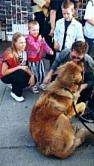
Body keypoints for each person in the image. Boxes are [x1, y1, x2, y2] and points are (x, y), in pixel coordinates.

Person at [43, 41, 94, 105]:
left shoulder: (89, 62)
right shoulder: (65, 52)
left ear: (84, 55)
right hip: (68, 76)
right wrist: (49, 74)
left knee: (83, 97)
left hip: (81, 81)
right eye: (73, 57)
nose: (75, 60)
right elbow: (57, 62)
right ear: (71, 50)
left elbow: (92, 80)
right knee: (54, 79)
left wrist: (82, 87)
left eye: (78, 58)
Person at [0, 32, 36, 102]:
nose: (24, 45)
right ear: (14, 43)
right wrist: (19, 67)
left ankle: (14, 84)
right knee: (20, 73)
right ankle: (15, 93)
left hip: (17, 72)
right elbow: (3, 72)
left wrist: (32, 75)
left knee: (34, 79)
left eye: (24, 42)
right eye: (21, 43)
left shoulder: (24, 52)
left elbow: (25, 66)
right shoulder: (9, 54)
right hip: (5, 76)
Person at [26, 20, 53, 93]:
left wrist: (49, 50)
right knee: (34, 73)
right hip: (32, 60)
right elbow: (35, 47)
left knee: (41, 72)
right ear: (29, 30)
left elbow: (44, 45)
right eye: (33, 30)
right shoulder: (29, 38)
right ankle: (33, 85)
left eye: (37, 30)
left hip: (39, 59)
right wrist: (39, 40)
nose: (36, 32)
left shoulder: (39, 37)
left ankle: (41, 83)